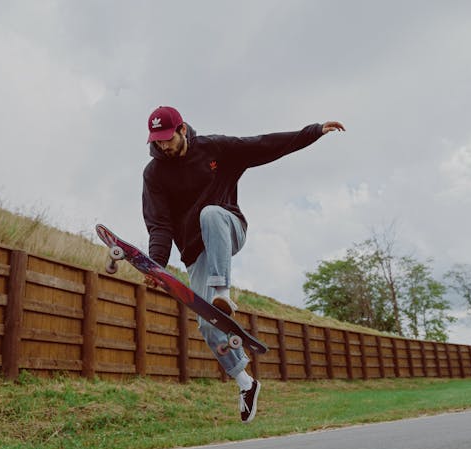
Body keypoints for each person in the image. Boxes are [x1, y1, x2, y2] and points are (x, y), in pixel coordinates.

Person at [141, 105, 345, 423]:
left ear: (182, 130)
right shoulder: (154, 174)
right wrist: (156, 266)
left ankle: (223, 291)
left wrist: (313, 132)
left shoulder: (215, 148)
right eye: (157, 141)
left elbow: (262, 144)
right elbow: (160, 225)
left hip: (228, 227)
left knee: (210, 213)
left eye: (168, 138)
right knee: (208, 323)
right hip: (196, 253)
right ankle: (245, 383)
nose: (163, 146)